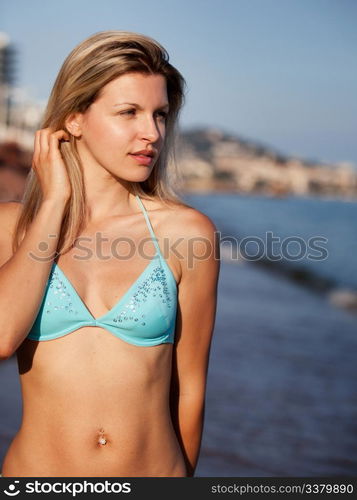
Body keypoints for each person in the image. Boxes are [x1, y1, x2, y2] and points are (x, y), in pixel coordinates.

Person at [0, 30, 220, 477]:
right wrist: (55, 204)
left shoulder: (186, 234)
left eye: (160, 114)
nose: (151, 133)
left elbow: (190, 388)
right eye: (129, 112)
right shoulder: (12, 226)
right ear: (75, 119)